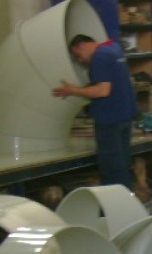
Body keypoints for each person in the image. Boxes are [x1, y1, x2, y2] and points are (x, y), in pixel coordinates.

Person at [52, 34, 137, 190]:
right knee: (122, 164)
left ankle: (115, 203)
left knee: (112, 169)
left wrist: (72, 90)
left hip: (109, 120)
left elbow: (102, 90)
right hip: (124, 116)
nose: (80, 61)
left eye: (78, 55)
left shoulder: (99, 56)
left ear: (82, 45)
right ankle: (126, 199)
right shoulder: (114, 48)